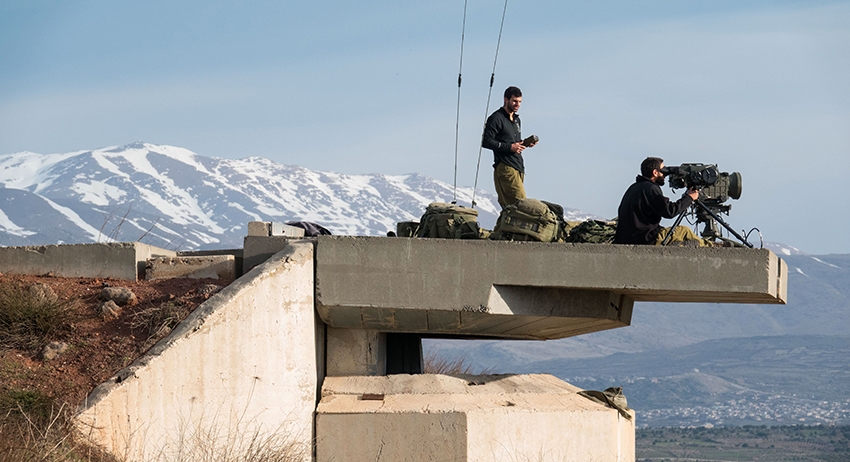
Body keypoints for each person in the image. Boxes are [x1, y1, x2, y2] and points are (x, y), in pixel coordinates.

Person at [614, 157, 707, 246]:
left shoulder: (634, 188)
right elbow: (670, 211)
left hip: (627, 238)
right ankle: (709, 246)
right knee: (684, 231)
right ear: (655, 172)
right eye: (663, 171)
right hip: (647, 239)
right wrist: (689, 198)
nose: (665, 175)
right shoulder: (650, 188)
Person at [482, 86, 537, 209]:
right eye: (514, 101)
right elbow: (486, 141)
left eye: (520, 102)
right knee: (521, 206)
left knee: (512, 208)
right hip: (506, 166)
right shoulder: (496, 118)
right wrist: (509, 147)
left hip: (518, 166)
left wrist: (525, 143)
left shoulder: (517, 120)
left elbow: (513, 143)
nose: (517, 104)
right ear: (506, 99)